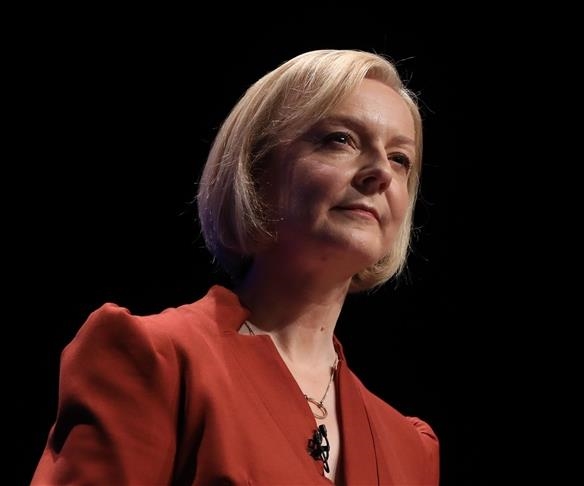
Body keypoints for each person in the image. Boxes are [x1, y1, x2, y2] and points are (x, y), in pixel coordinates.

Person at [32, 49, 439, 485]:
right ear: (257, 170)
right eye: (341, 139)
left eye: (400, 158)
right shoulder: (157, 360)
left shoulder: (410, 449)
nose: (380, 172)